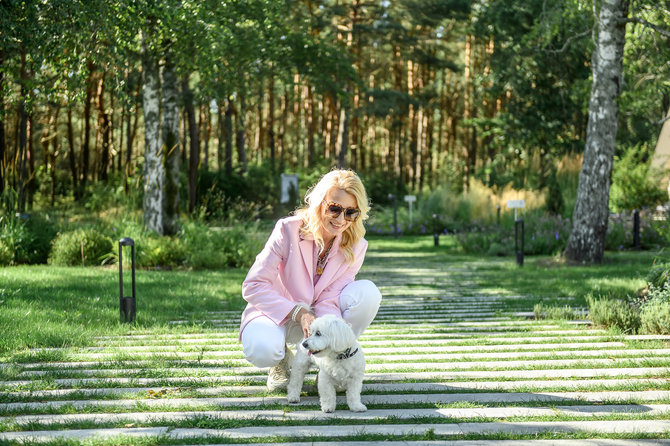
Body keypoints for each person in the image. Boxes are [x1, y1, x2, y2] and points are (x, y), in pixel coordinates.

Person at [239, 169, 382, 391]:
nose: (342, 220)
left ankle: (333, 364)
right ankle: (281, 361)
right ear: (319, 203)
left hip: (318, 316)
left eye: (351, 212)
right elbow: (253, 285)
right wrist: (298, 312)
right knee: (263, 349)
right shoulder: (288, 230)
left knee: (368, 294)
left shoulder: (356, 244)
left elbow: (331, 297)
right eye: (334, 209)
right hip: (278, 314)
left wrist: (328, 339)